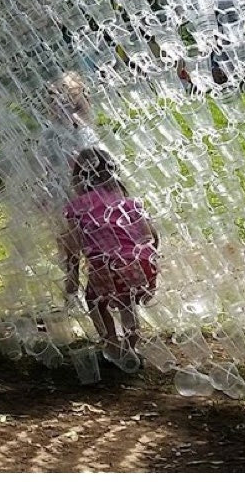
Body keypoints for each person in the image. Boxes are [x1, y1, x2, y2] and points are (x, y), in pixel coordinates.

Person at [61, 147, 158, 371]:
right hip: (140, 260)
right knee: (127, 302)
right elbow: (152, 234)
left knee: (95, 301)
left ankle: (111, 344)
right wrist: (151, 259)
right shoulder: (130, 203)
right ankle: (131, 348)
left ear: (78, 178)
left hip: (106, 265)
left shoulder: (77, 207)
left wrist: (72, 276)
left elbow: (73, 245)